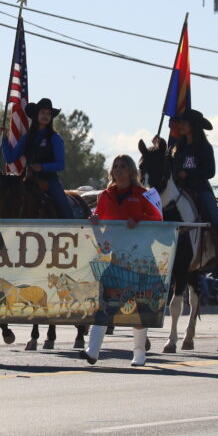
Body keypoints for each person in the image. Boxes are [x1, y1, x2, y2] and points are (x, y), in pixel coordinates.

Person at [84, 154, 164, 368]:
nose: (118, 170)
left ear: (131, 171)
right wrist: (94, 222)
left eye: (122, 166)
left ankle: (139, 354)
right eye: (115, 166)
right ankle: (93, 350)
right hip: (116, 258)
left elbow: (158, 220)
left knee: (141, 306)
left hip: (142, 259)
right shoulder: (104, 195)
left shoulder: (143, 194)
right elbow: (102, 222)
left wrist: (139, 220)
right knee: (105, 303)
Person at [157, 107, 218, 269]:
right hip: (179, 188)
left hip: (200, 189)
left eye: (184, 123)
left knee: (213, 213)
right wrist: (159, 148)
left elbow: (210, 172)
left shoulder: (205, 147)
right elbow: (169, 165)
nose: (181, 126)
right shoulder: (178, 148)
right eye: (181, 123)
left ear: (193, 125)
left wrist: (189, 174)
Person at [0, 97, 75, 218]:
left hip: (50, 181)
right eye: (43, 112)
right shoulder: (27, 138)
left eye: (48, 113)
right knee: (6, 200)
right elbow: (10, 158)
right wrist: (4, 138)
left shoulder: (55, 138)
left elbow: (60, 164)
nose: (46, 116)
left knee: (64, 208)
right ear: (36, 114)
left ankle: (72, 229)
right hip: (29, 179)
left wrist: (42, 167)